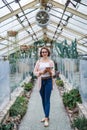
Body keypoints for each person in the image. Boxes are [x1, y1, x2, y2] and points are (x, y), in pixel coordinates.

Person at [34, 46, 55, 127]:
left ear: (48, 53)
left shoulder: (51, 62)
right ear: (41, 53)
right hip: (41, 81)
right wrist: (41, 72)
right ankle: (46, 115)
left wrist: (49, 71)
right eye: (42, 52)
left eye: (45, 52)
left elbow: (53, 73)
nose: (44, 53)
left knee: (47, 99)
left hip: (48, 81)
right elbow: (34, 72)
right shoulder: (38, 62)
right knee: (43, 99)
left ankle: (46, 118)